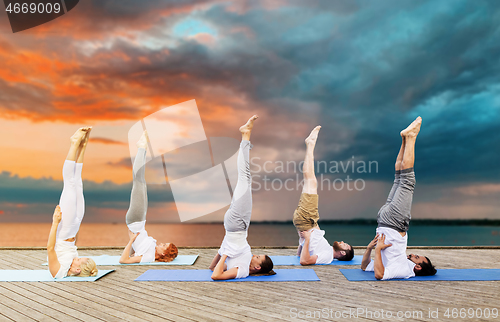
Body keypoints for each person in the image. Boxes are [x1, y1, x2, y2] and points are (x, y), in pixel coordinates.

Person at [361, 117, 437, 280]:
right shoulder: (401, 262)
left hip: (394, 221)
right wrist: (371, 250)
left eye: (417, 257)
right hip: (384, 220)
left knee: (408, 181)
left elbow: (379, 275)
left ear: (417, 266)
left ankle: (410, 138)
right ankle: (404, 139)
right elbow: (365, 266)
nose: (413, 254)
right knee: (399, 178)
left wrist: (374, 249)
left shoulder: (403, 269)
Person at [209, 115, 275, 280]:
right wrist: (223, 251)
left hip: (237, 224)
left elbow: (215, 276)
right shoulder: (243, 259)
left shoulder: (243, 270)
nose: (255, 255)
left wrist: (226, 253)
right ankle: (245, 137)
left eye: (258, 257)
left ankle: (245, 136)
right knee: (244, 179)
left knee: (245, 177)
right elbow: (212, 268)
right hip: (234, 227)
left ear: (257, 266)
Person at [293, 126, 354, 265]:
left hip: (307, 221)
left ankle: (310, 144)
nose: (343, 242)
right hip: (309, 221)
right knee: (310, 181)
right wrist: (302, 242)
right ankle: (310, 144)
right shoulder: (326, 248)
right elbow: (299, 254)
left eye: (346, 245)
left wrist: (307, 238)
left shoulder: (327, 256)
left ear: (342, 253)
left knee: (311, 180)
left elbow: (304, 261)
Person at [119, 130, 178, 264]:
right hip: (140, 220)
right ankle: (142, 147)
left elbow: (123, 260)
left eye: (164, 246)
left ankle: (142, 147)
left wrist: (131, 240)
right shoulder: (151, 253)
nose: (161, 243)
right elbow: (136, 251)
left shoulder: (149, 258)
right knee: (141, 182)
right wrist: (134, 245)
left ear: (163, 253)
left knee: (138, 180)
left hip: (135, 220)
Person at [47, 127, 98, 278]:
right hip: (73, 228)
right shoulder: (73, 263)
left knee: (69, 183)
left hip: (63, 230)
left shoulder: (60, 271)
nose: (78, 258)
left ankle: (74, 144)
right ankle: (83, 146)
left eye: (79, 260)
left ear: (77, 270)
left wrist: (55, 222)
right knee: (78, 183)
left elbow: (50, 248)